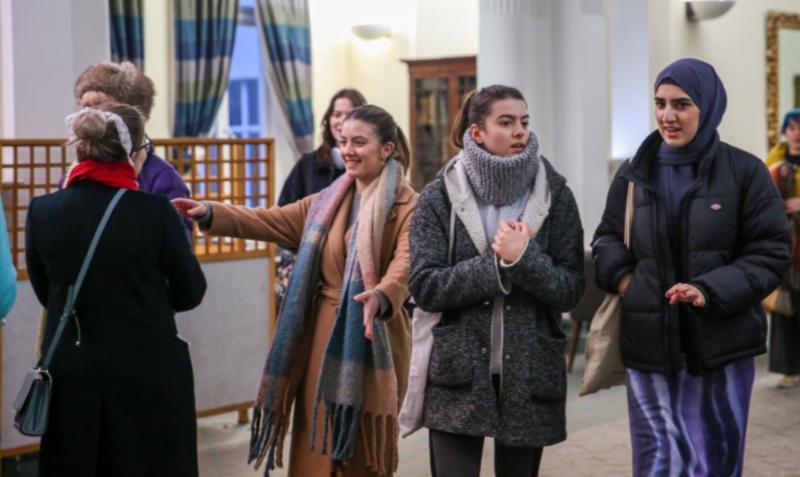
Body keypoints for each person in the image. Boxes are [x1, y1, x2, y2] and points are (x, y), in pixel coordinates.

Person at [173, 104, 417, 477]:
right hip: (319, 334)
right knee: (315, 433)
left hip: (373, 333)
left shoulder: (409, 205)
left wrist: (383, 294)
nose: (349, 150)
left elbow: (407, 262)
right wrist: (209, 212)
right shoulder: (326, 201)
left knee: (359, 446)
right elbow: (269, 220)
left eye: (360, 142)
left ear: (387, 149)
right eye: (344, 141)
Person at [593, 58, 790, 476]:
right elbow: (607, 238)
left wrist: (709, 290)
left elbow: (770, 251)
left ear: (708, 105)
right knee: (658, 459)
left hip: (720, 343)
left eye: (681, 104)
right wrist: (628, 281)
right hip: (650, 341)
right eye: (660, 103)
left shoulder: (745, 171)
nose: (668, 115)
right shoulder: (633, 173)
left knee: (713, 457)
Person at [408, 85, 585, 477]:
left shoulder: (556, 197)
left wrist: (524, 258)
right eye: (505, 122)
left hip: (529, 369)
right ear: (477, 133)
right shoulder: (438, 198)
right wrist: (496, 267)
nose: (520, 131)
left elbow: (571, 288)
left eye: (524, 121)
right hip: (457, 371)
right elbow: (424, 286)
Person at [26, 103, 207, 476]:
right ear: (133, 152)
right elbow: (191, 291)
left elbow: (47, 293)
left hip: (71, 370)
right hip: (146, 370)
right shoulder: (156, 213)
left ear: (81, 150)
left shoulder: (42, 211)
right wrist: (147, 303)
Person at [74, 61, 193, 235]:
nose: (91, 116)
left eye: (102, 107)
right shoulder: (75, 174)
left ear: (132, 117)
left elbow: (179, 243)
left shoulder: (162, 177)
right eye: (86, 108)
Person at [274, 88, 367, 310]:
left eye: (349, 113)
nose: (341, 120)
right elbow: (282, 220)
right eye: (336, 114)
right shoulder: (307, 165)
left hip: (356, 273)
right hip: (310, 275)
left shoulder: (370, 168)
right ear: (328, 119)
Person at [766, 108, 800, 388]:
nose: (796, 133)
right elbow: (761, 201)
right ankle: (789, 367)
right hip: (785, 247)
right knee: (786, 306)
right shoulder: (774, 165)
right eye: (791, 127)